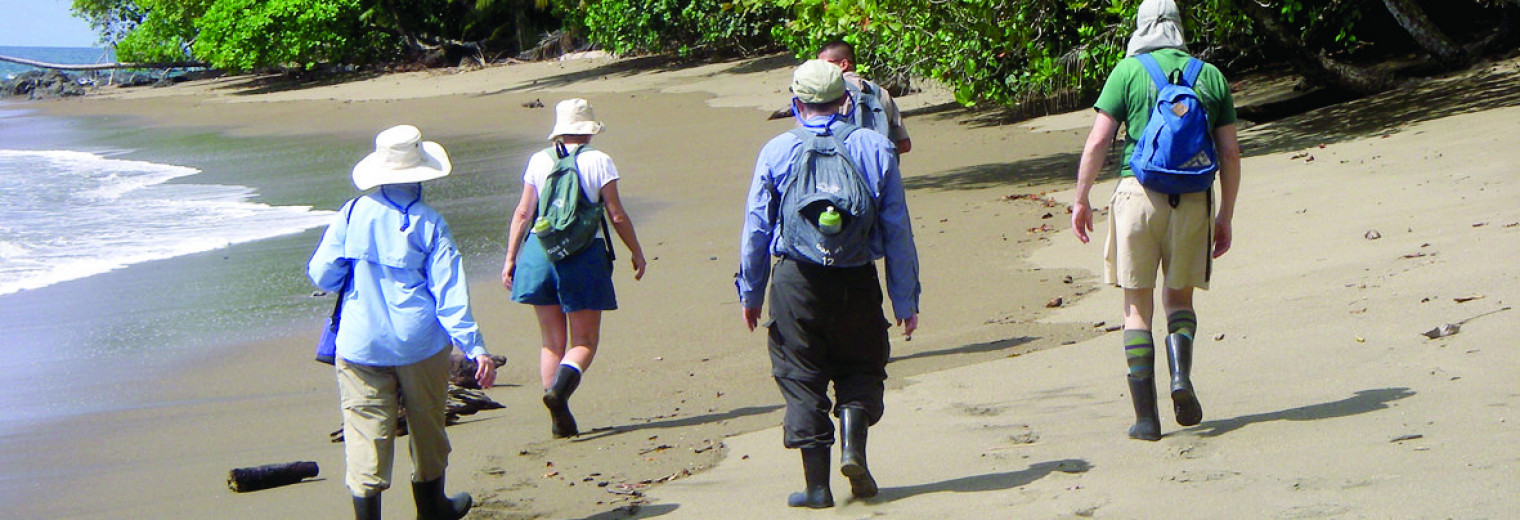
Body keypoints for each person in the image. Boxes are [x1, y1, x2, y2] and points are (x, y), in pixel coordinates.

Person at [738, 60, 921, 508]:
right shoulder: (874, 146)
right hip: (856, 278)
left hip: (795, 281)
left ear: (796, 103)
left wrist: (750, 290)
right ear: (846, 100)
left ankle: (817, 488)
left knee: (801, 377)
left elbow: (756, 229)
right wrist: (904, 297)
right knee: (860, 365)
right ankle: (853, 449)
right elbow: (897, 229)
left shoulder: (777, 150)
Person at [1069, 0, 1241, 441]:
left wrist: (1081, 198)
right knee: (1179, 302)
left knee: (1136, 309)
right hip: (1193, 197)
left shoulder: (1127, 72)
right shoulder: (1211, 76)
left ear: (1141, 28)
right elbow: (1230, 153)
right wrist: (1225, 215)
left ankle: (1146, 419)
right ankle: (1180, 377)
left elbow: (1099, 141)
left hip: (1137, 196)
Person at [308, 124, 497, 520]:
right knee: (428, 425)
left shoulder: (352, 212)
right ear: (420, 174)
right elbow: (450, 295)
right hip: (419, 343)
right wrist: (475, 346)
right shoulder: (431, 223)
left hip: (360, 343)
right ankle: (433, 508)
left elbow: (322, 275)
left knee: (364, 433)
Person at [501, 98, 647, 439]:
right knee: (584, 341)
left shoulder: (538, 159)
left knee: (551, 341)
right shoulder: (599, 160)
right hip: (582, 254)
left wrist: (510, 258)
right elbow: (617, 214)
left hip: (539, 253)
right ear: (589, 130)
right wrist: (637, 252)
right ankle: (560, 394)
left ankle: (557, 415)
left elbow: (523, 213)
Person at [816, 40, 913, 154]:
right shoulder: (882, 92)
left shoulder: (829, 93)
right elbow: (904, 144)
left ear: (843, 64)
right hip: (881, 166)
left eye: (824, 65)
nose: (819, 70)